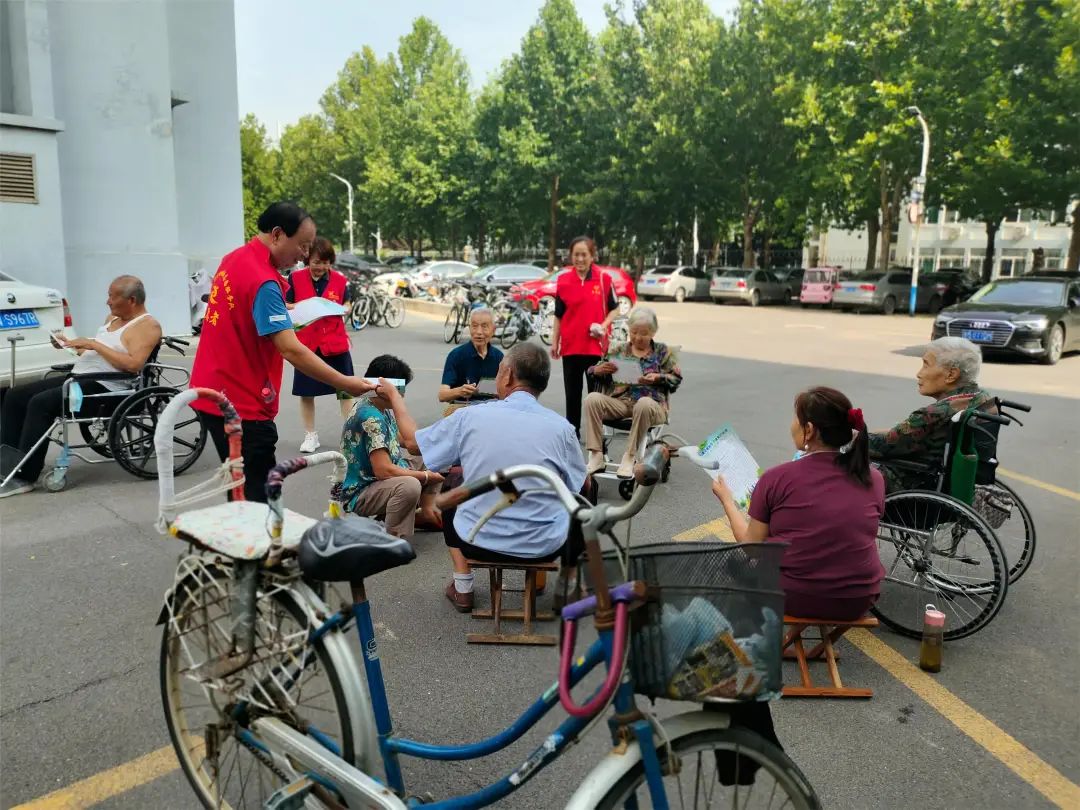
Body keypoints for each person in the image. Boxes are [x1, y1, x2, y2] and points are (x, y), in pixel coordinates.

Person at [710, 385, 885, 774]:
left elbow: (751, 546)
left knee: (737, 569)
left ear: (808, 431)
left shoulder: (778, 478)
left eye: (796, 419)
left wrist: (727, 499)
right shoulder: (873, 477)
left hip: (795, 596)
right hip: (858, 598)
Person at [189, 201, 375, 503]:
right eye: (302, 245)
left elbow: (245, 310)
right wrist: (345, 383)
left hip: (211, 391)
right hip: (242, 404)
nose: (305, 254)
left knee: (238, 487)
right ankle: (256, 533)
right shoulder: (263, 280)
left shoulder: (235, 258)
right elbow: (290, 349)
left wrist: (281, 309)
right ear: (277, 234)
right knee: (258, 498)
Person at [416, 342, 588, 613]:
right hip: (544, 545)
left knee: (452, 481)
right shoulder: (562, 429)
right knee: (582, 494)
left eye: (498, 372)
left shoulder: (469, 416)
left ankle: (463, 585)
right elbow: (578, 485)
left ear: (507, 375)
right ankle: (569, 582)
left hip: (476, 541)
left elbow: (415, 445)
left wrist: (394, 400)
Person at [0, 276, 161, 498]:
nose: (108, 301)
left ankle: (26, 475)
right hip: (81, 377)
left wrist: (94, 344)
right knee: (15, 395)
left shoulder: (147, 326)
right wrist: (70, 345)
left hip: (110, 388)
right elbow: (97, 354)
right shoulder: (113, 319)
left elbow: (133, 365)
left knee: (41, 404)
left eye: (112, 297)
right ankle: (7, 464)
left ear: (132, 300)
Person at [335, 355, 443, 538]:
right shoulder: (371, 417)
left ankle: (425, 512)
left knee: (431, 451)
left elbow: (408, 441)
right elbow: (383, 470)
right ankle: (392, 538)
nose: (402, 395)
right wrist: (425, 477)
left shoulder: (378, 406)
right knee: (409, 486)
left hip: (380, 478)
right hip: (362, 489)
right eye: (399, 389)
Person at [869, 337, 994, 493]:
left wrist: (851, 436)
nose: (919, 374)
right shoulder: (982, 398)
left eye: (926, 365)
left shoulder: (934, 414)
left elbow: (884, 445)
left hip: (914, 484)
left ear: (951, 374)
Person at [583, 306, 681, 478]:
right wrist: (598, 370)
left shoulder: (662, 352)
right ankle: (596, 455)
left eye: (643, 334)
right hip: (622, 401)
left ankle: (629, 457)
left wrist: (658, 377)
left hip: (652, 405)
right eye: (633, 332)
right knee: (592, 399)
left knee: (643, 403)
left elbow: (676, 379)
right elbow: (593, 370)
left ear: (653, 332)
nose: (637, 337)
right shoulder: (618, 350)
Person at [286, 237, 354, 453]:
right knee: (306, 392)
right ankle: (310, 435)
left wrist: (346, 308)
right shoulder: (295, 278)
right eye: (316, 262)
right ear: (308, 259)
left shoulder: (340, 280)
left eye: (325, 263)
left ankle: (350, 436)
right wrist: (300, 307)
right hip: (306, 345)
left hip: (335, 343)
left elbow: (347, 303)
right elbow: (285, 303)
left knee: (346, 390)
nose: (321, 267)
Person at [549, 236, 619, 437]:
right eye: (576, 255)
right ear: (571, 256)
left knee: (596, 397)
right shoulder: (563, 281)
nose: (579, 259)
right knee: (572, 396)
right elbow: (559, 315)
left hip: (595, 349)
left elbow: (615, 309)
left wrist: (603, 326)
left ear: (592, 256)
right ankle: (573, 435)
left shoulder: (604, 279)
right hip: (570, 348)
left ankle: (596, 438)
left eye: (584, 255)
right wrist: (555, 342)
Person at [437, 306, 503, 416]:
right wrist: (460, 391)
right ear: (469, 328)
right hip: (463, 411)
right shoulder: (456, 355)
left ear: (493, 330)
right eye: (474, 326)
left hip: (490, 412)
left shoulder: (499, 357)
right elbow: (442, 395)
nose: (479, 332)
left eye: (484, 327)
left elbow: (505, 392)